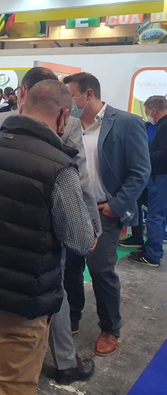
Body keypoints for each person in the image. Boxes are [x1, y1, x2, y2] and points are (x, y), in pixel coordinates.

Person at [0, 80, 95, 395]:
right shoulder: (59, 167)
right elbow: (80, 241)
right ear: (63, 115)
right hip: (23, 292)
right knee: (15, 380)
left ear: (23, 102)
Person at [63, 72, 151, 357]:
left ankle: (110, 328)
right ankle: (72, 315)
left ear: (88, 94)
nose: (68, 103)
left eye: (71, 96)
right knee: (70, 268)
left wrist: (117, 205)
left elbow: (141, 171)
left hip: (104, 210)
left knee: (101, 270)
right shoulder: (69, 124)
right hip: (72, 207)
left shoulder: (126, 123)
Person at [127, 96, 167, 267]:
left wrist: (143, 156)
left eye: (147, 111)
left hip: (161, 176)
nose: (147, 115)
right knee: (158, 216)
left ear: (153, 111)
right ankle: (151, 248)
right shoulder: (161, 126)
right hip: (159, 176)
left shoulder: (164, 127)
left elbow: (164, 153)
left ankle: (152, 256)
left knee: (155, 217)